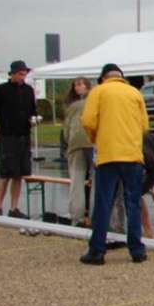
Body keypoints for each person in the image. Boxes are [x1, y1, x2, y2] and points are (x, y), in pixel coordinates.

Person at [79, 63, 149, 265]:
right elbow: (144, 125)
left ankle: (97, 251)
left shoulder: (98, 91)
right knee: (132, 203)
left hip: (108, 155)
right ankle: (137, 251)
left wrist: (96, 138)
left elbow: (88, 121)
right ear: (121, 77)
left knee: (103, 204)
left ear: (103, 78)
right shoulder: (135, 93)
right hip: (133, 155)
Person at [0, 60, 37, 218]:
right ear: (12, 74)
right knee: (5, 173)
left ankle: (14, 208)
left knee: (19, 174)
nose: (23, 76)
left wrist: (33, 119)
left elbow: (33, 110)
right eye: (20, 74)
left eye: (25, 73)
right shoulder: (1, 90)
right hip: (8, 136)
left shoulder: (28, 90)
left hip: (24, 135)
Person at [63, 77, 93, 226]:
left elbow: (66, 129)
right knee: (95, 182)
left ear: (86, 85)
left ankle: (77, 216)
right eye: (75, 85)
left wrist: (68, 143)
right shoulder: (95, 101)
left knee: (77, 181)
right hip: (93, 143)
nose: (77, 88)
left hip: (76, 144)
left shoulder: (72, 106)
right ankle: (94, 215)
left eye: (80, 84)